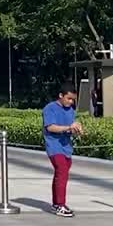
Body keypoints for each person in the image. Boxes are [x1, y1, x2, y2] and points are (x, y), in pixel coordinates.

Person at [42, 82, 83, 217]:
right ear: (61, 95)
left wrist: (76, 130)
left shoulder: (71, 110)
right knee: (62, 172)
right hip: (54, 146)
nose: (71, 102)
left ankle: (56, 204)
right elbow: (50, 127)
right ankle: (60, 205)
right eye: (68, 98)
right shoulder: (50, 108)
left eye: (73, 100)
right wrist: (69, 127)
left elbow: (69, 128)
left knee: (60, 174)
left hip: (66, 147)